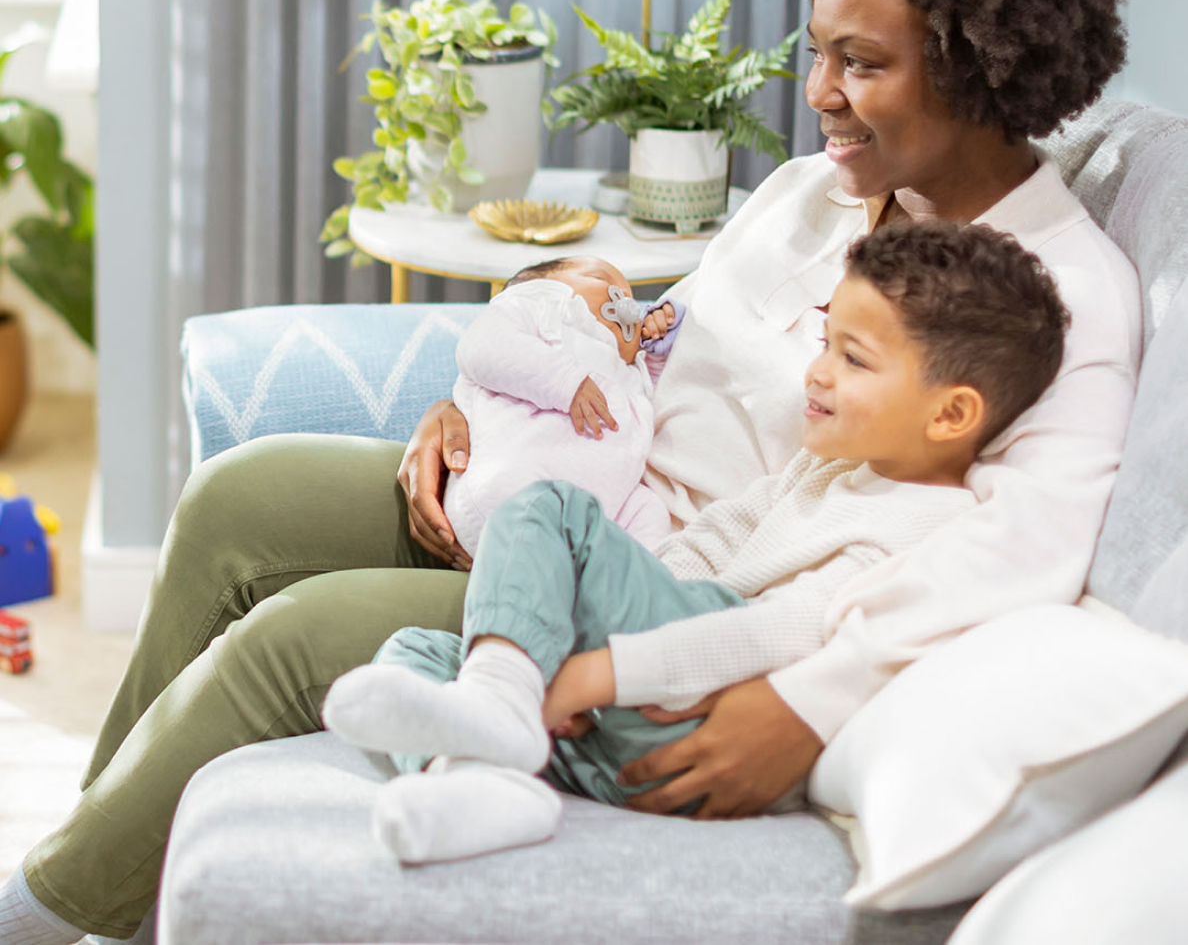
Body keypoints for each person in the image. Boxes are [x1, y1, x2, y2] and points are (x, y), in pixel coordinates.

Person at [0, 0, 1141, 944]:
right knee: (235, 499)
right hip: (566, 497)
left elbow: (1022, 553)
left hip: (658, 585)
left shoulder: (1063, 290)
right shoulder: (805, 195)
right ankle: (96, 900)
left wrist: (809, 704)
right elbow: (640, 343)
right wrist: (468, 414)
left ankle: (45, 913)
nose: (821, 95)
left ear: (981, 60)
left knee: (295, 636)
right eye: (817, 53)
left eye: (864, 64)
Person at [322, 221, 1070, 865]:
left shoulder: (928, 524)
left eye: (854, 359)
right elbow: (713, 542)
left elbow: (786, 633)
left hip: (697, 718)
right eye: (826, 343)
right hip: (633, 708)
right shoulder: (826, 466)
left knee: (549, 508)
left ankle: (504, 706)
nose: (816, 371)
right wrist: (594, 616)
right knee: (417, 655)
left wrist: (593, 675)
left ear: (951, 415)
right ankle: (483, 784)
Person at [442, 254, 678, 560]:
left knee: (649, 510)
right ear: (543, 284)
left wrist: (659, 351)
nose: (626, 303)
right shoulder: (538, 309)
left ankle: (636, 582)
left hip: (599, 511)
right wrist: (566, 381)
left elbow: (653, 404)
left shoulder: (627, 371)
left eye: (631, 297)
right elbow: (481, 348)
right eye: (602, 280)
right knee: (518, 492)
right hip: (512, 483)